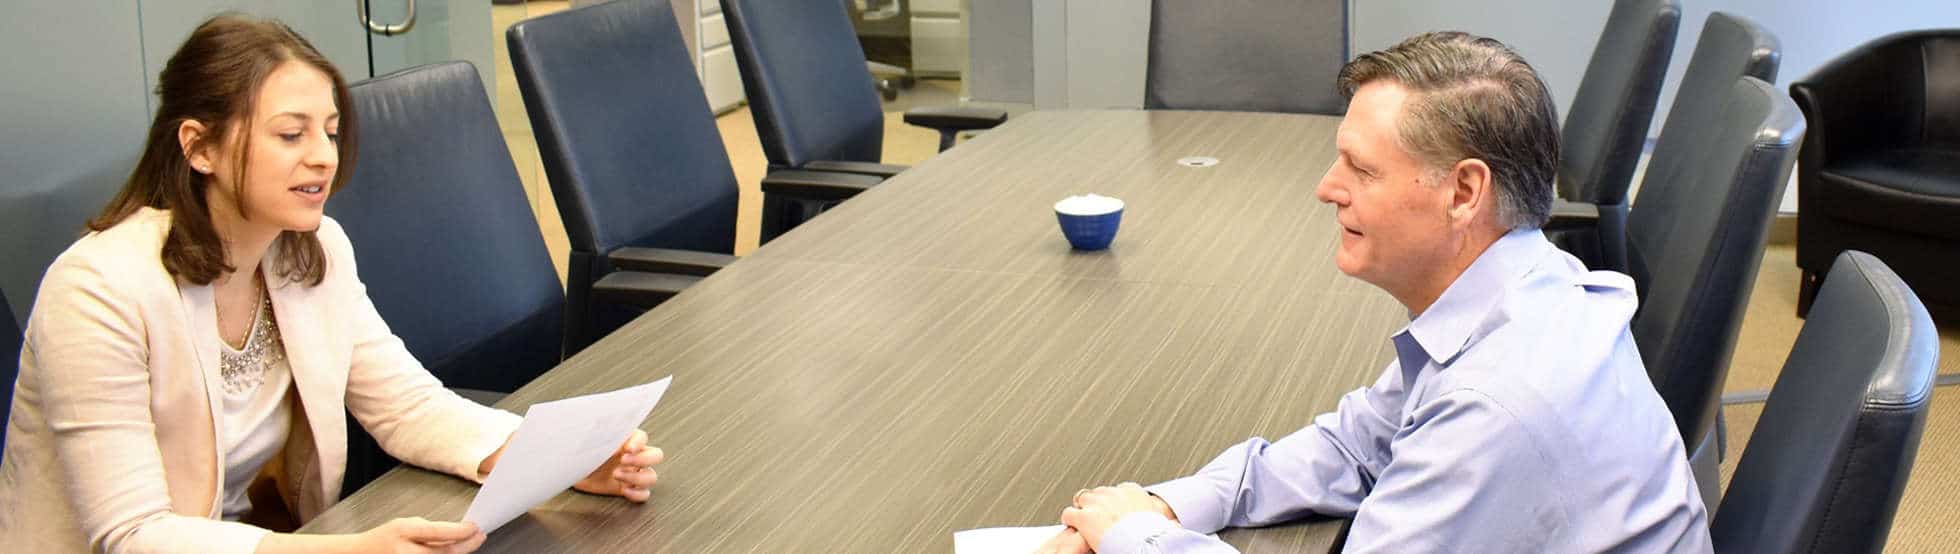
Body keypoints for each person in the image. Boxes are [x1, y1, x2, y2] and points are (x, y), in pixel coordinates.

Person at [0, 15, 662, 553]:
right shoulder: (97, 291)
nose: (323, 155)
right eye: (291, 134)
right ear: (199, 147)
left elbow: (406, 407)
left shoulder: (313, 252)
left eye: (331, 131)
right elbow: (132, 534)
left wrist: (555, 463)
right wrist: (343, 550)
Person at [1039, 32, 1711, 553]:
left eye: (1361, 169)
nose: (1326, 188)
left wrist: (1134, 537)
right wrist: (1169, 505)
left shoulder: (1495, 405)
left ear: (1464, 192)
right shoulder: (1522, 285)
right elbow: (1358, 445)